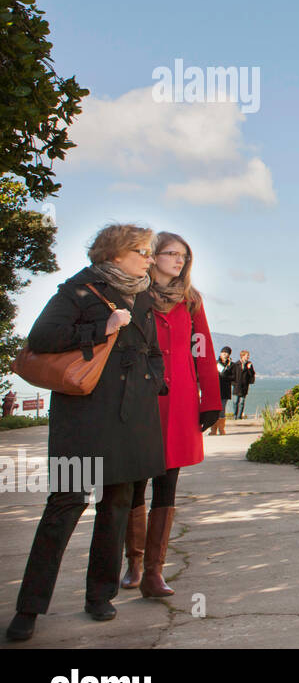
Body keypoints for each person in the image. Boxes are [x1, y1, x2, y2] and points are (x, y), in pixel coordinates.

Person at [6, 224, 166, 642]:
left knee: (116, 508)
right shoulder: (77, 290)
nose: (150, 258)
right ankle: (29, 607)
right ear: (115, 254)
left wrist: (155, 379)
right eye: (143, 251)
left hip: (132, 416)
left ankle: (100, 596)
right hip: (83, 417)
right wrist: (103, 328)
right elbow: (42, 339)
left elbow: (152, 349)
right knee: (65, 506)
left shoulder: (144, 294)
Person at [121, 232, 221, 598]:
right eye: (171, 253)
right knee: (134, 482)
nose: (179, 261)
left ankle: (154, 573)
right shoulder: (134, 294)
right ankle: (132, 562)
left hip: (178, 401)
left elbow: (203, 349)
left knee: (167, 481)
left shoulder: (191, 300)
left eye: (184, 255)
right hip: (138, 400)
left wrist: (210, 398)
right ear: (154, 256)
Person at [212, 346, 233, 436]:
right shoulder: (216, 363)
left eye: (226, 353)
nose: (224, 354)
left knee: (222, 410)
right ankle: (213, 429)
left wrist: (228, 368)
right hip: (215, 389)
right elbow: (220, 374)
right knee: (214, 409)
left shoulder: (232, 365)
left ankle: (221, 429)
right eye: (223, 352)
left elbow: (233, 377)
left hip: (225, 390)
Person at [231, 350, 255, 419]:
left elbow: (252, 375)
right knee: (235, 401)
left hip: (244, 386)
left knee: (242, 402)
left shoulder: (249, 364)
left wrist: (249, 368)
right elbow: (233, 375)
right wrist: (234, 383)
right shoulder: (236, 364)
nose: (248, 357)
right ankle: (235, 415)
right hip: (236, 386)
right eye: (247, 355)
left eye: (248, 356)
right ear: (242, 356)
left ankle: (239, 416)